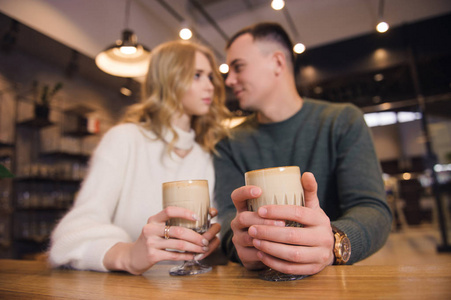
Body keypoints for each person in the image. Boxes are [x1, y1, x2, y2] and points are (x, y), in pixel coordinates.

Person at [214, 22, 392, 276]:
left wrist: (333, 242)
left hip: (335, 281)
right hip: (258, 283)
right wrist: (239, 243)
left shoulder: (342, 121)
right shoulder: (228, 143)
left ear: (277, 62)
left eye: (238, 67)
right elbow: (228, 218)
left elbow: (373, 209)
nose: (229, 80)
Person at [49, 40, 230, 275]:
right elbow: (69, 237)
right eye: (197, 75)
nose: (210, 86)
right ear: (168, 79)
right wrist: (127, 255)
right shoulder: (125, 139)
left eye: (210, 77)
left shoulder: (205, 154)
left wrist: (207, 243)